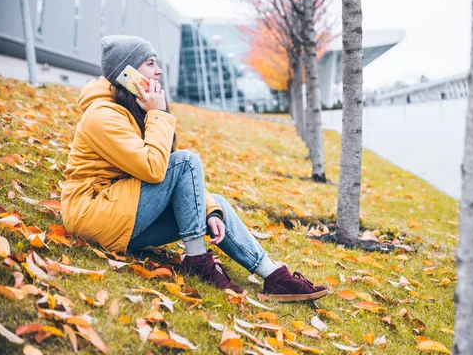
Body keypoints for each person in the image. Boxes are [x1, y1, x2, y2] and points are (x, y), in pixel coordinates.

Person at [61, 35, 328, 302]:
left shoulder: (132, 107)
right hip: (93, 215)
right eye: (150, 63)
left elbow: (169, 174)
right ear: (127, 73)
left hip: (121, 211)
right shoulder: (102, 115)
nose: (159, 71)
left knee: (217, 205)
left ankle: (274, 277)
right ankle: (197, 259)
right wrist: (159, 114)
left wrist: (209, 210)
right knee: (187, 161)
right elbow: (155, 169)